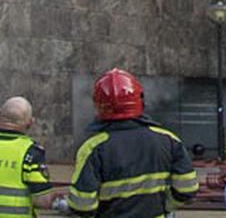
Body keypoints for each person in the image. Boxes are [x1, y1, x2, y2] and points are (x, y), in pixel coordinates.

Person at [68, 69, 199, 218]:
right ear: (140, 100)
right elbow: (187, 189)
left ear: (98, 105)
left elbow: (82, 206)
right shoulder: (169, 140)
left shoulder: (93, 149)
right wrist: (165, 206)